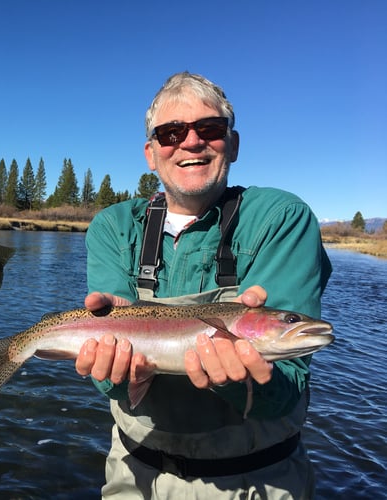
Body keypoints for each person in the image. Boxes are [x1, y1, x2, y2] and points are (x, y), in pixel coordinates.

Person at [75, 72, 332, 499]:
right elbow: (110, 383)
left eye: (209, 129)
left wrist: (238, 379)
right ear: (151, 153)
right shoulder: (114, 227)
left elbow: (286, 390)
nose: (191, 142)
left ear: (232, 143)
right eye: (171, 132)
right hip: (133, 475)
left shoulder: (281, 217)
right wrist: (112, 374)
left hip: (254, 482)